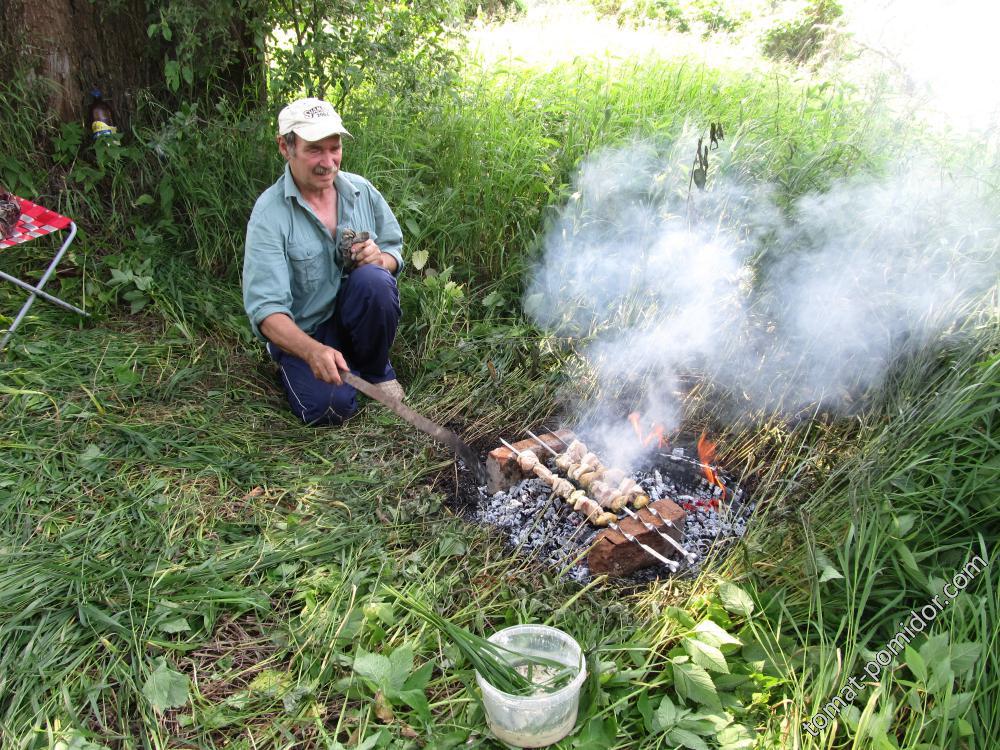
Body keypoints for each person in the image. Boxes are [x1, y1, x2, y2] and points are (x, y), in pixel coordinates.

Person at [243, 97, 404, 425]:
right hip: (307, 334)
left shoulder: (361, 190)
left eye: (335, 148)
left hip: (352, 314)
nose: (328, 162)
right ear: (285, 148)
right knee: (329, 408)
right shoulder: (269, 214)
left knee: (375, 280)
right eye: (315, 149)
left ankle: (375, 370)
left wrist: (380, 259)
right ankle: (306, 367)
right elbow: (267, 312)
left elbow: (393, 252)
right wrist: (312, 351)